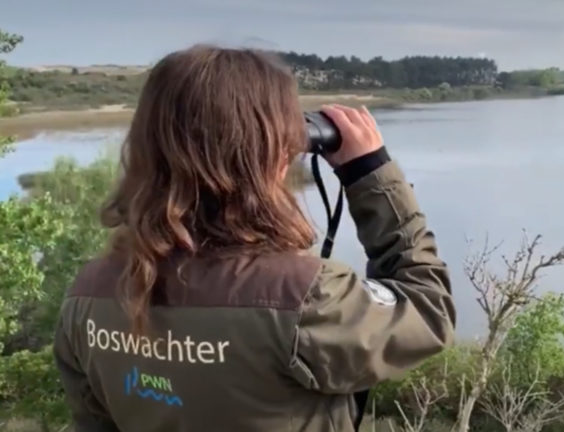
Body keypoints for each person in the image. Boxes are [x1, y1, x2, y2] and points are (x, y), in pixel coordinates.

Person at [53, 45, 456, 432]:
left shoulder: (87, 295)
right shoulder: (305, 299)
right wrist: (371, 171)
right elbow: (428, 309)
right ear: (267, 155)